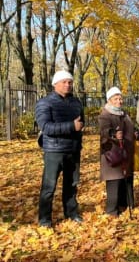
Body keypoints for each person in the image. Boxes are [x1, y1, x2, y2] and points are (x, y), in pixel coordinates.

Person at [35, 70, 84, 227]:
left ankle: (71, 213)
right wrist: (72, 126)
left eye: (70, 82)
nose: (68, 84)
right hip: (54, 151)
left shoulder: (76, 102)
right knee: (49, 187)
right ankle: (44, 220)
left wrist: (78, 130)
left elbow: (81, 123)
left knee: (71, 185)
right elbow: (46, 127)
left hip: (73, 149)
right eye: (64, 82)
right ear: (55, 84)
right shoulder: (45, 103)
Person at [98, 87, 135, 216]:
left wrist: (136, 133)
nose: (119, 101)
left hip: (126, 152)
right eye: (116, 99)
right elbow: (104, 130)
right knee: (114, 181)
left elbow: (131, 128)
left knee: (127, 179)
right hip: (112, 153)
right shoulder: (105, 115)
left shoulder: (124, 113)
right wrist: (113, 134)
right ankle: (112, 211)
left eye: (120, 98)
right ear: (109, 100)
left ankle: (126, 205)